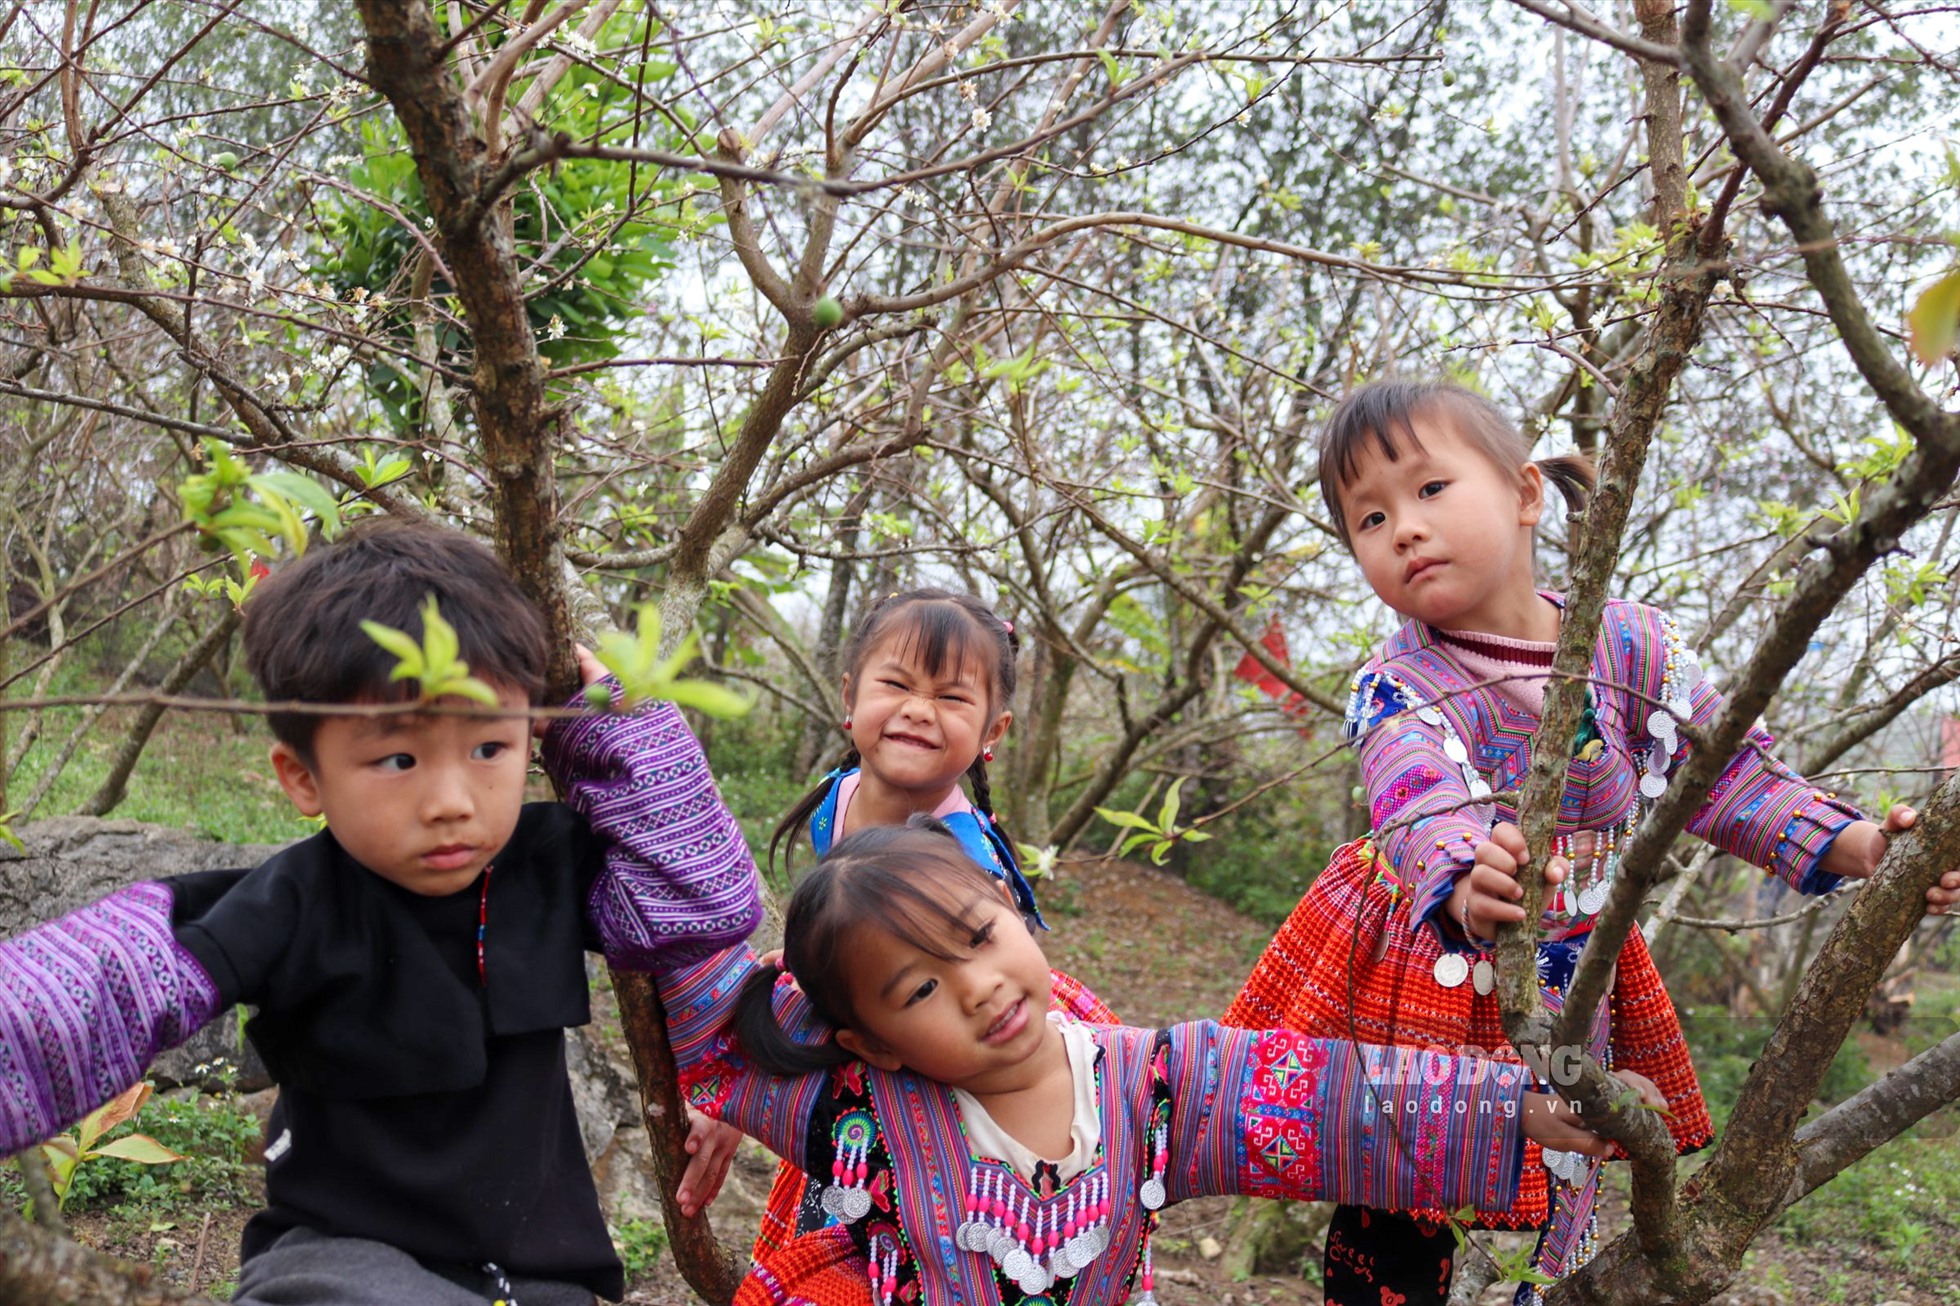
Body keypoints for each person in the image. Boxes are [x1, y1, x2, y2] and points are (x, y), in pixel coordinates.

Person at [1223, 378, 1960, 1305]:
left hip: (1577, 973)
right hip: (1419, 971)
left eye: (1430, 490)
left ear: (1527, 495)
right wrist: (1461, 872)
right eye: (1368, 519)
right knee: (1401, 1188)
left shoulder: (1632, 645)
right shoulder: (1395, 680)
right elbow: (1413, 794)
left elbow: (1727, 776)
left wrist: (1858, 846)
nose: (1403, 528)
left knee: (1569, 1157)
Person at [0, 521, 760, 1306]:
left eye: (487, 748)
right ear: (303, 778)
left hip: (544, 1276)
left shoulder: (546, 868)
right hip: (341, 1268)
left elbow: (703, 901)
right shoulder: (295, 901)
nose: (450, 803)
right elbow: (107, 985)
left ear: (535, 734)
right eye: (398, 759)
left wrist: (617, 725)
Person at [638, 816, 1650, 1306]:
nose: (980, 986)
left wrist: (1523, 1106)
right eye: (917, 989)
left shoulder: (1153, 1085)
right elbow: (700, 1001)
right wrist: (623, 723)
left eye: (980, 935)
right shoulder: (857, 1109)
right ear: (867, 1038)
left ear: (1017, 915)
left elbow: (1333, 1103)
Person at [731, 588, 1116, 1282]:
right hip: (866, 1069)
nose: (918, 709)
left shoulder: (965, 859)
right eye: (898, 684)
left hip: (950, 1112)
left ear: (992, 732)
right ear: (850, 693)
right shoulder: (839, 795)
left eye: (951, 697)